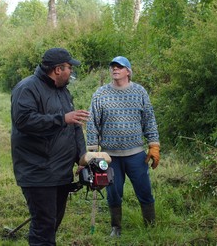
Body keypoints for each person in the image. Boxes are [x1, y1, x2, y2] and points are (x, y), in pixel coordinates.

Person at [10, 47, 90, 245]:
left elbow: (75, 127)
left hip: (61, 172)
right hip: (37, 171)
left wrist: (82, 158)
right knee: (43, 225)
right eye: (69, 68)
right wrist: (62, 118)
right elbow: (24, 121)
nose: (71, 72)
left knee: (52, 222)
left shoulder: (63, 92)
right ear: (57, 70)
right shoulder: (26, 88)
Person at [86, 56, 160, 237]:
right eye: (112, 66)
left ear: (128, 71)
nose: (115, 69)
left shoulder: (140, 92)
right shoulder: (100, 94)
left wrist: (153, 145)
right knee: (113, 192)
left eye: (119, 66)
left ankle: (150, 224)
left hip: (136, 154)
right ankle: (116, 227)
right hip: (110, 156)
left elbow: (149, 120)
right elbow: (92, 123)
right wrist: (93, 153)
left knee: (144, 190)